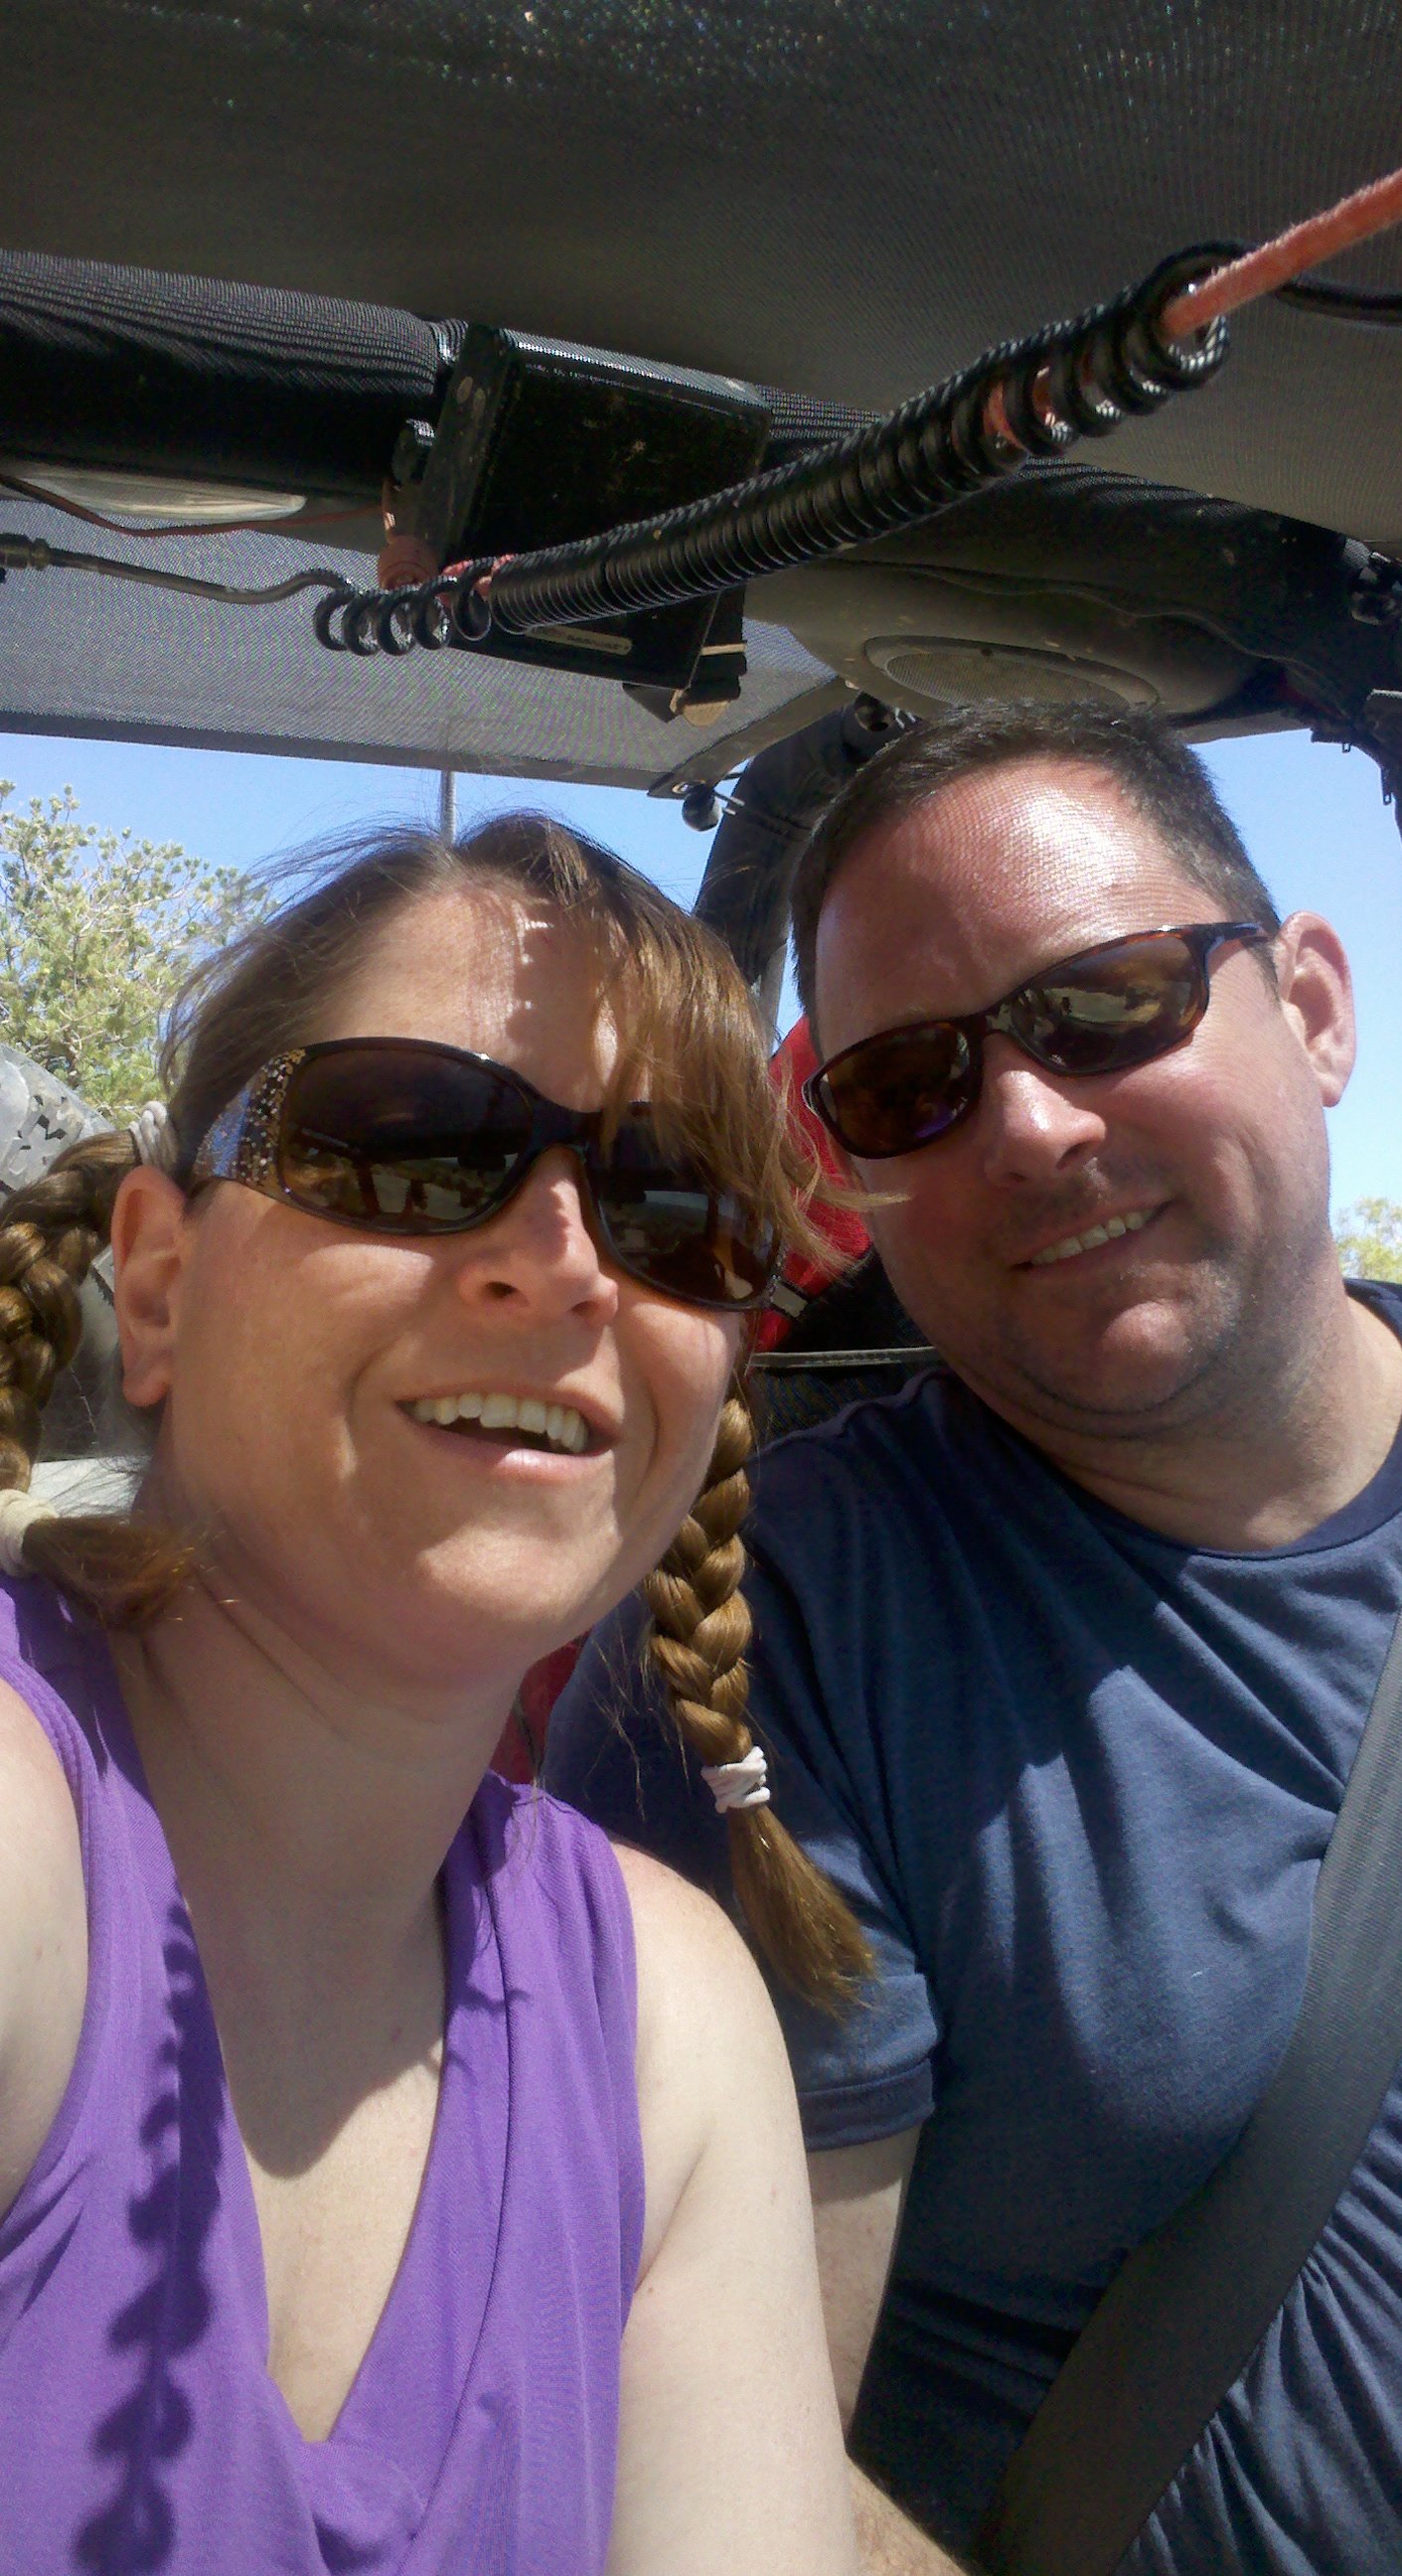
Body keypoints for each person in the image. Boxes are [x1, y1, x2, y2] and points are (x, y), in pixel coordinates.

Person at [545, 703, 1402, 2574]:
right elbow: (719, 2482)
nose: (1031, 1127)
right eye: (909, 1087)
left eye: (1106, 1005)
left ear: (1314, 1007)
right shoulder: (781, 1631)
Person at [0, 811, 861, 2576]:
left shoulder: (668, 2031)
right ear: (157, 1284)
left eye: (673, 1209)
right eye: (406, 1147)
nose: (566, 1263)